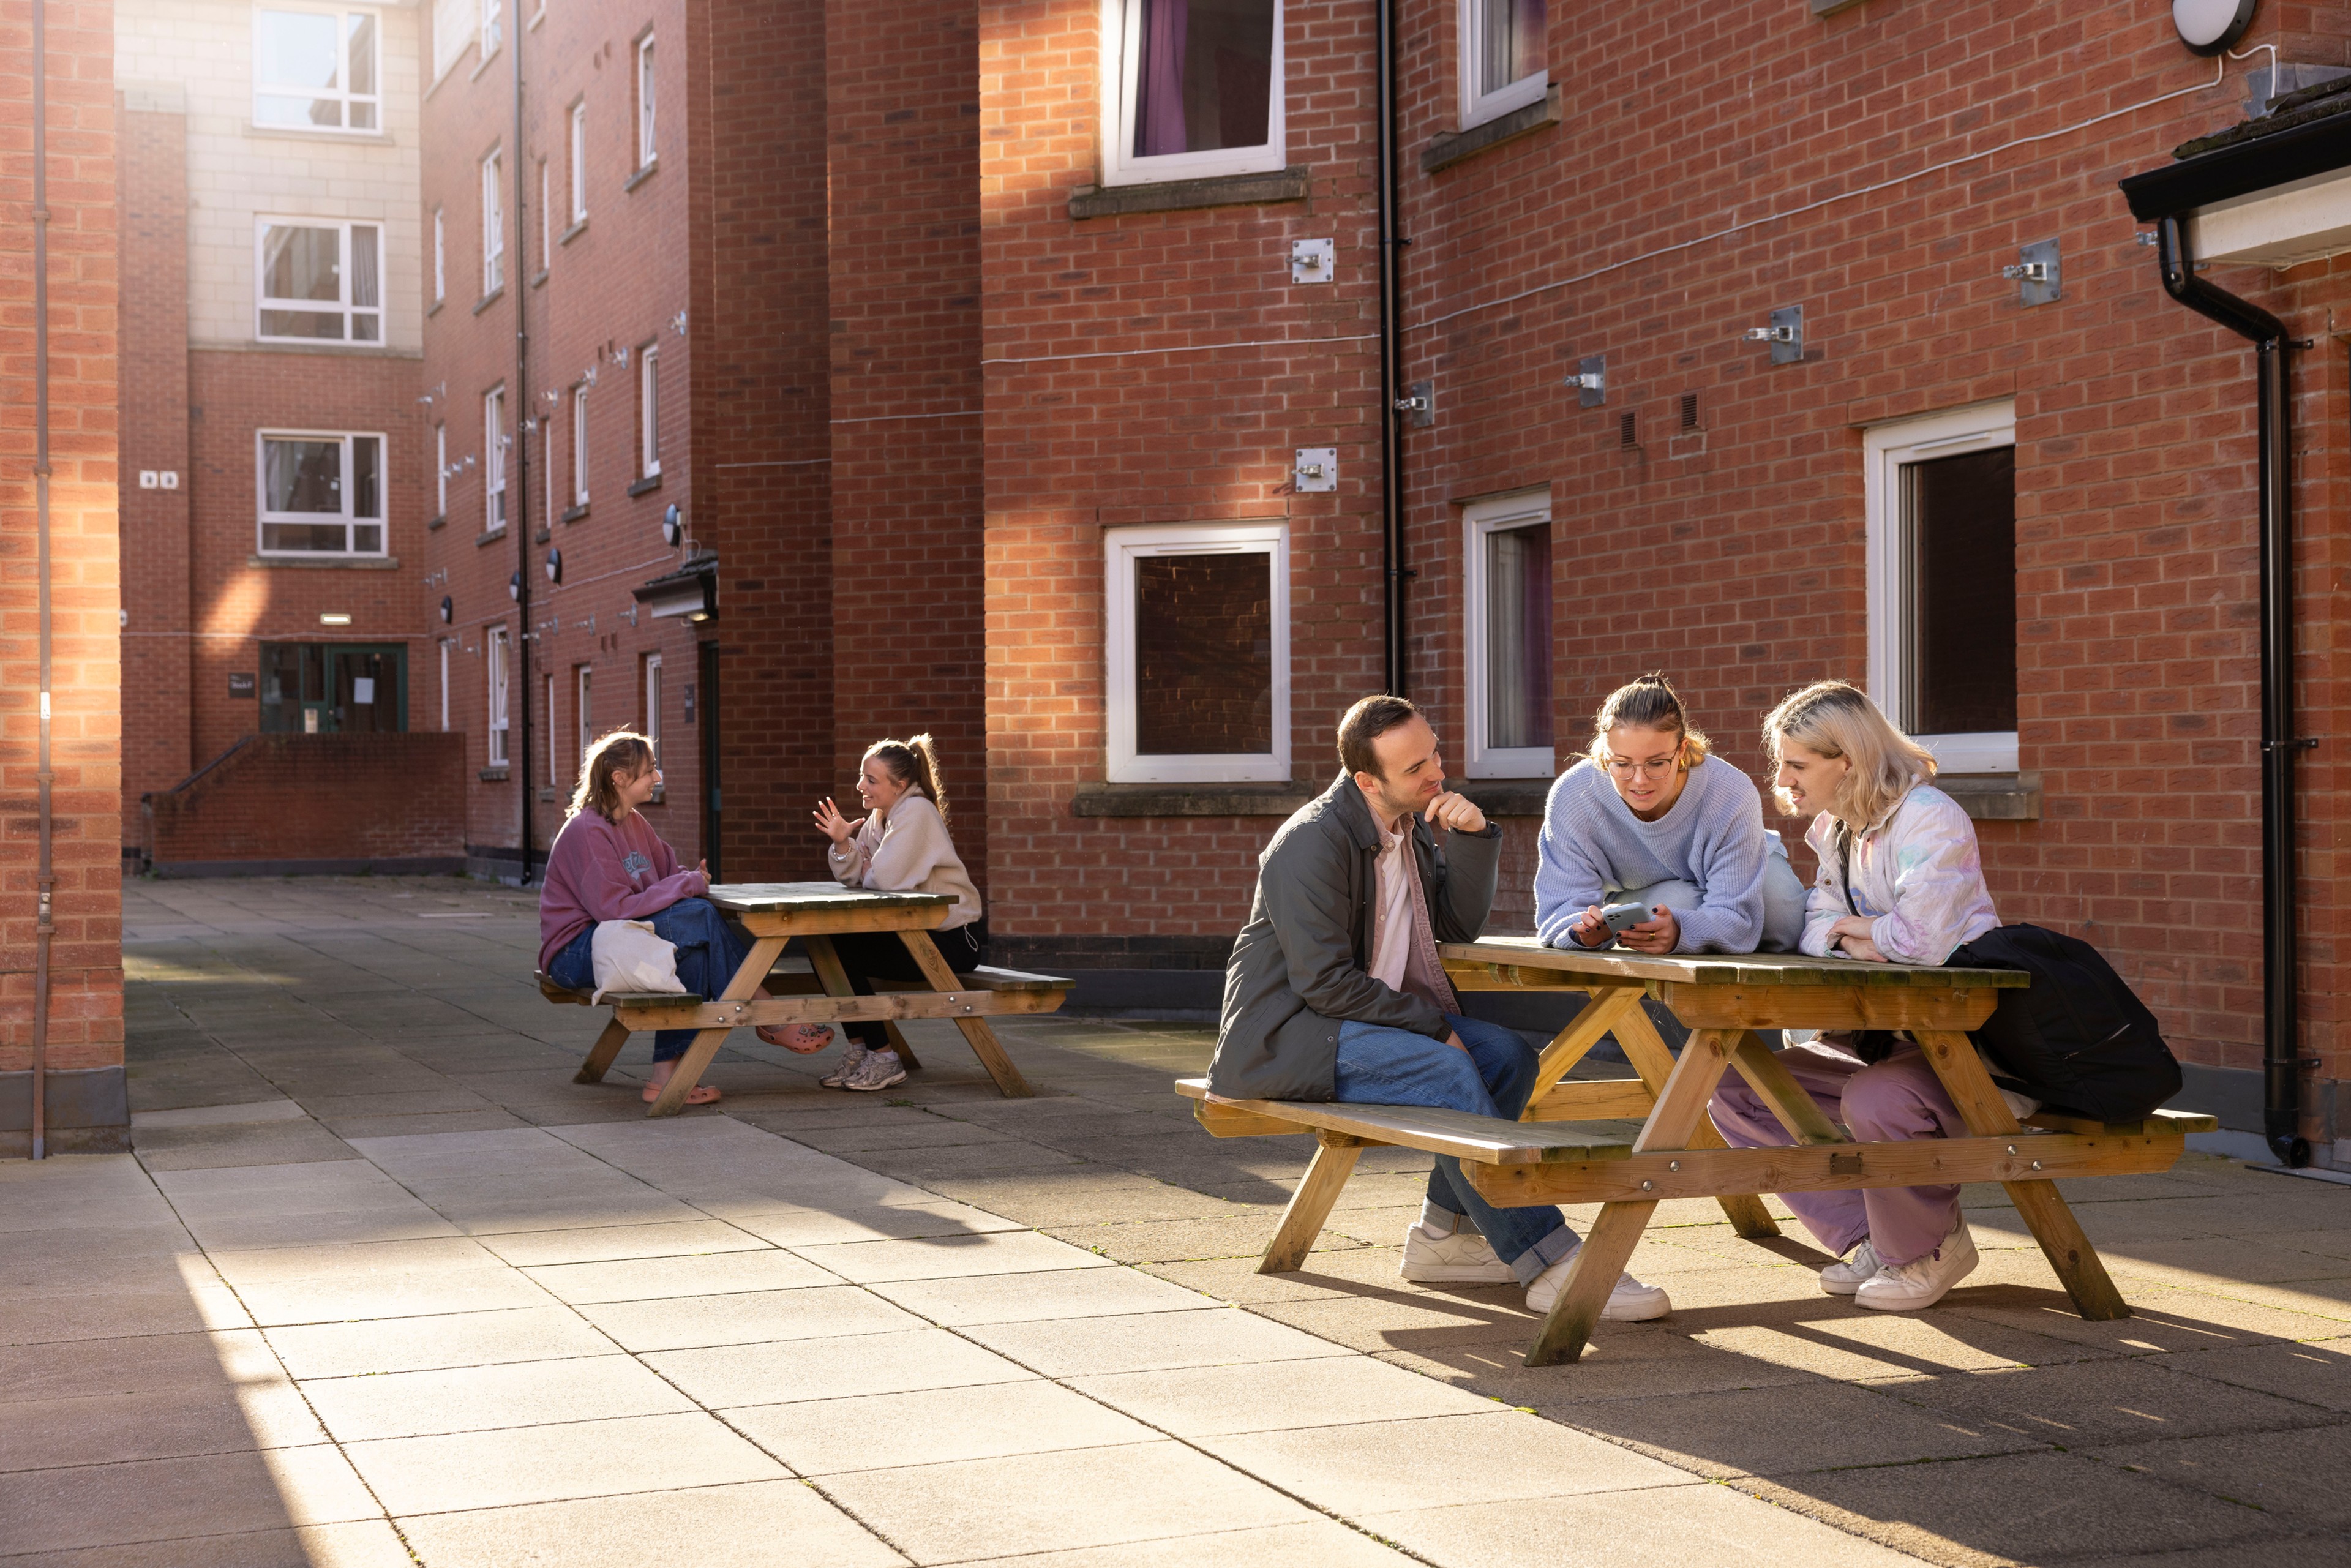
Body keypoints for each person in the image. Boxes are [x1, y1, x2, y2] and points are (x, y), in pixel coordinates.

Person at [1209, 695, 1671, 1321]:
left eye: (1435, 752)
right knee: (1448, 1070)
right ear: (1366, 780)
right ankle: (1549, 1260)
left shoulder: (1407, 827)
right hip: (1291, 1036)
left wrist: (1476, 839)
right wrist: (1433, 1029)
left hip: (1359, 1020)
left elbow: (1454, 924)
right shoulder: (1313, 842)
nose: (1436, 773)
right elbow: (1324, 983)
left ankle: (1445, 1235)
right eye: (1415, 768)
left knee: (1507, 1056)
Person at [1708, 681, 2013, 1311]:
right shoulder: (1837, 829)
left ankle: (1928, 1249)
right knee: (1739, 1087)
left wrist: (1861, 931)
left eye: (1797, 763)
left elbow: (1922, 940)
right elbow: (1813, 929)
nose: (1783, 776)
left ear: (1845, 760)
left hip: (1970, 1053)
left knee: (1872, 1098)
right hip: (1880, 1042)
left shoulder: (1931, 818)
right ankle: (1878, 1237)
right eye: (1782, 762)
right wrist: (1866, 935)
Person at [539, 731, 803, 1106]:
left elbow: (667, 875)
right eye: (649, 771)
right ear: (619, 778)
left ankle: (664, 1078)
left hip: (622, 936)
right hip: (576, 950)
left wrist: (690, 880)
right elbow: (612, 909)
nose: (657, 778)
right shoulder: (587, 830)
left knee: (697, 948)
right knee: (700, 916)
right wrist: (685, 886)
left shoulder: (634, 822)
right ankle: (769, 1013)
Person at [1534, 673, 1806, 955]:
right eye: (1622, 764)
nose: (1639, 780)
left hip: (1737, 867)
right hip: (1644, 892)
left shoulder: (1731, 791)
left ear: (1682, 751)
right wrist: (1585, 933)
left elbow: (1734, 915)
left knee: (1785, 916)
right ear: (1604, 755)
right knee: (1679, 903)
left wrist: (1681, 932)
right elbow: (1560, 911)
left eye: (1657, 763)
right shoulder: (1573, 795)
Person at [808, 733, 985, 1093]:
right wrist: (844, 843)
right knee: (826, 947)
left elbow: (882, 879)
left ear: (900, 785)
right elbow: (860, 877)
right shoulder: (880, 817)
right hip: (915, 934)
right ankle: (862, 1049)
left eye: (871, 780)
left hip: (953, 941)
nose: (860, 786)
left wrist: (872, 869)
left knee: (846, 954)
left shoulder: (917, 812)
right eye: (862, 776)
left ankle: (883, 1057)